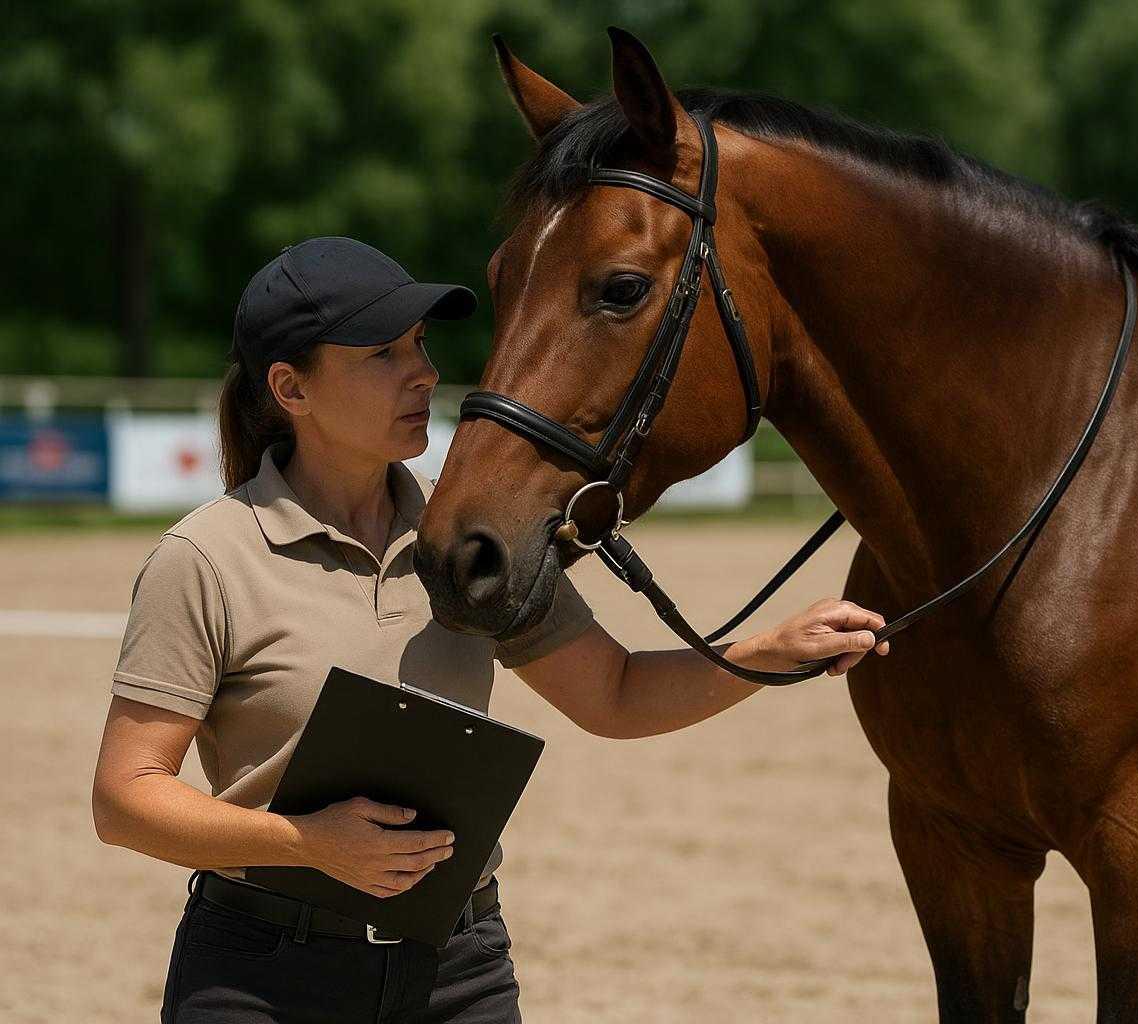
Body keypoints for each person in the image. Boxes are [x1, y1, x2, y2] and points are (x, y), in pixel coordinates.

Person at [90, 237, 890, 1023]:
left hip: (458, 973)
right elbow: (125, 800)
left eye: (421, 344)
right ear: (290, 389)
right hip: (263, 980)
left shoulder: (467, 537)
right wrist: (305, 842)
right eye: (382, 354)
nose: (425, 373)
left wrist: (765, 653)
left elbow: (613, 695)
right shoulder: (205, 557)